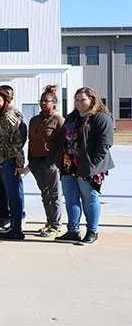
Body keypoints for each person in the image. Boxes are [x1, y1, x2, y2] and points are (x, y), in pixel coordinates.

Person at [56, 87, 115, 245]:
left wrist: (93, 164)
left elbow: (105, 143)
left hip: (89, 166)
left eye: (83, 100)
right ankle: (73, 231)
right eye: (77, 100)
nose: (79, 103)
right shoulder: (72, 117)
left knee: (89, 199)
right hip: (69, 165)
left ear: (92, 100)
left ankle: (92, 232)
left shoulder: (101, 118)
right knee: (71, 199)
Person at [28, 85, 65, 238]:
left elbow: (62, 144)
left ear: (54, 103)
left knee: (54, 194)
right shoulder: (35, 120)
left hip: (51, 163)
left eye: (47, 101)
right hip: (36, 162)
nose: (43, 103)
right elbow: (31, 140)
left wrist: (54, 162)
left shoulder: (58, 119)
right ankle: (49, 222)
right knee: (45, 194)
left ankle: (56, 225)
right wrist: (30, 161)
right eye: (42, 101)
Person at [0, 87, 27, 240]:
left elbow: (17, 142)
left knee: (14, 195)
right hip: (5, 159)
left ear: (6, 100)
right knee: (12, 195)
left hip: (10, 160)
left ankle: (17, 229)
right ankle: (14, 225)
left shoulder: (9, 117)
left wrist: (19, 164)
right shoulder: (4, 115)